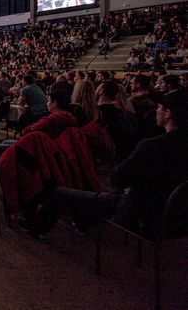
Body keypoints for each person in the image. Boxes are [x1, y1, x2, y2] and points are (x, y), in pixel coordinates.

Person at [28, 89, 188, 239]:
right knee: (90, 197)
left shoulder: (152, 146)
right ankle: (83, 221)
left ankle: (36, 228)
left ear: (168, 114)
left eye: (159, 108)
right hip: (178, 219)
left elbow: (117, 178)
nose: (156, 111)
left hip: (139, 211)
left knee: (60, 193)